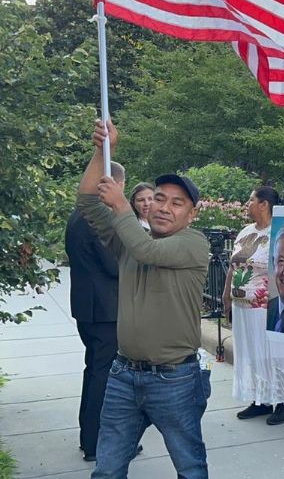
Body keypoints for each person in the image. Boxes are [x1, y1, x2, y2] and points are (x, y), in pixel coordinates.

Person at [78, 120, 210, 477]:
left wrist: (121, 207)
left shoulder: (194, 243)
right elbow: (88, 202)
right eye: (160, 199)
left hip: (175, 380)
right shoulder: (129, 237)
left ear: (192, 214)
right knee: (107, 470)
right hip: (123, 374)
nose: (165, 207)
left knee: (190, 468)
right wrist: (102, 151)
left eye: (177, 203)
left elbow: (147, 250)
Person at [225, 187, 284, 426]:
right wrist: (226, 294)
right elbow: (233, 265)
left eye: (251, 199)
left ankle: (283, 402)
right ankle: (260, 398)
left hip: (267, 305)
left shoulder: (279, 234)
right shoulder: (246, 231)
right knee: (251, 350)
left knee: (274, 351)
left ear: (264, 204)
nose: (247, 203)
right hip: (242, 305)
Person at [66, 161, 125, 462]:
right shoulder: (99, 220)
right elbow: (114, 265)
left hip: (87, 308)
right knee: (104, 376)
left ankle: (87, 434)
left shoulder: (77, 216)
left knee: (93, 371)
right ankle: (97, 442)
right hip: (106, 310)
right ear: (113, 185)